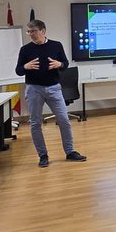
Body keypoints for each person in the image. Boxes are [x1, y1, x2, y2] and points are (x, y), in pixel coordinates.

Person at [16, 19, 86, 168]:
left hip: (54, 88)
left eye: (33, 31)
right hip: (34, 89)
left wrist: (59, 64)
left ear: (43, 31)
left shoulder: (56, 45)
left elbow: (65, 64)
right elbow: (18, 70)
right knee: (35, 123)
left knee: (64, 120)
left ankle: (70, 151)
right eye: (29, 32)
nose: (31, 34)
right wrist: (26, 66)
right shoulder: (25, 50)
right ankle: (43, 155)